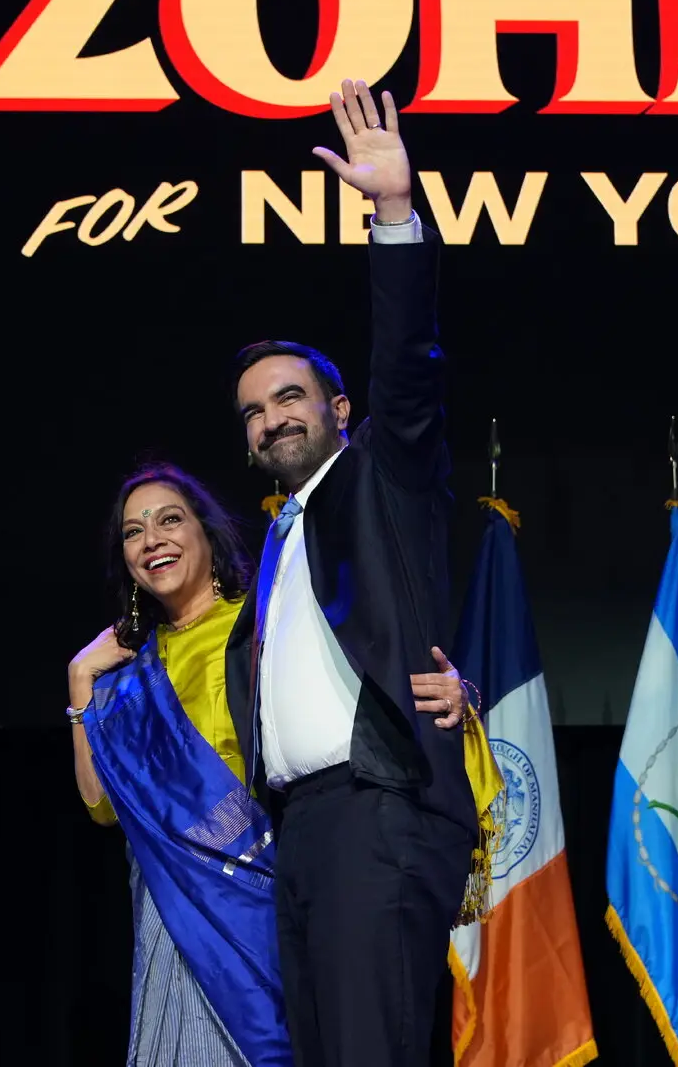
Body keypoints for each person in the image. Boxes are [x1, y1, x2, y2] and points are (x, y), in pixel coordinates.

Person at [223, 80, 489, 1067]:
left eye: (289, 397)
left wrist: (393, 215)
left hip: (378, 814)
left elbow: (408, 366)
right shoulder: (277, 541)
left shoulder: (384, 478)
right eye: (253, 412)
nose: (270, 420)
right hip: (304, 832)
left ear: (338, 410)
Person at [69, 464, 471, 1067]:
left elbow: (365, 670)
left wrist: (456, 689)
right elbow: (102, 808)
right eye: (133, 531)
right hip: (172, 904)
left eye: (170, 520)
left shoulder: (264, 626)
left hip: (261, 891)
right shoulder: (129, 676)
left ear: (207, 534)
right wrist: (80, 679)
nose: (152, 540)